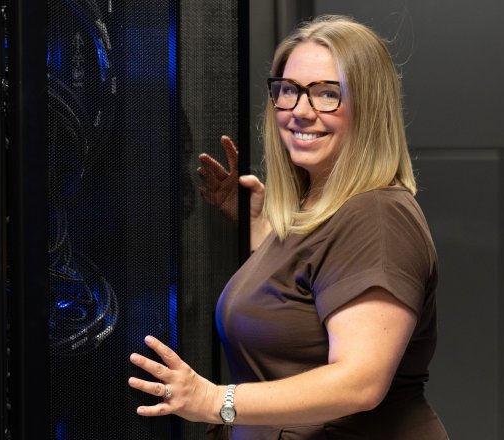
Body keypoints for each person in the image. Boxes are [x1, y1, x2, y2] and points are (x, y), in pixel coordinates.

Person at [128, 14, 448, 439]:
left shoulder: (378, 215)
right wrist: (262, 228)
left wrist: (214, 400)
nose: (300, 111)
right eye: (289, 91)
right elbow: (302, 299)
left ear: (370, 108)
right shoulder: (318, 208)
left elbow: (360, 382)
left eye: (327, 94)